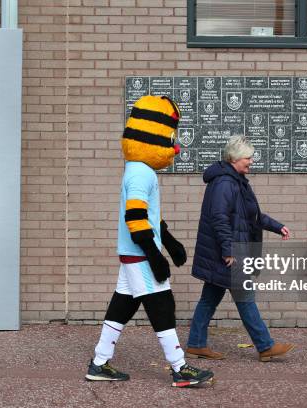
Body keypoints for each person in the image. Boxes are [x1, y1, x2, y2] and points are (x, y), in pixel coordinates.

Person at [85, 95, 213, 387]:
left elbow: (148, 217)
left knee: (123, 306)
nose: (174, 146)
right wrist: (155, 255)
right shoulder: (142, 173)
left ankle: (99, 363)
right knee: (162, 305)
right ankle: (180, 369)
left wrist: (168, 240)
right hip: (140, 253)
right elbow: (136, 219)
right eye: (170, 138)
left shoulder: (138, 170)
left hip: (132, 253)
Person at [186, 135, 295, 362]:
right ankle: (265, 346)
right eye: (248, 157)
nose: (251, 161)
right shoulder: (226, 183)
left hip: (228, 253)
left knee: (209, 298)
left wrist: (278, 226)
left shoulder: (236, 181)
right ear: (235, 158)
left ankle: (196, 343)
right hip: (229, 254)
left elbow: (251, 216)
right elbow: (219, 218)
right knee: (245, 297)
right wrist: (228, 250)